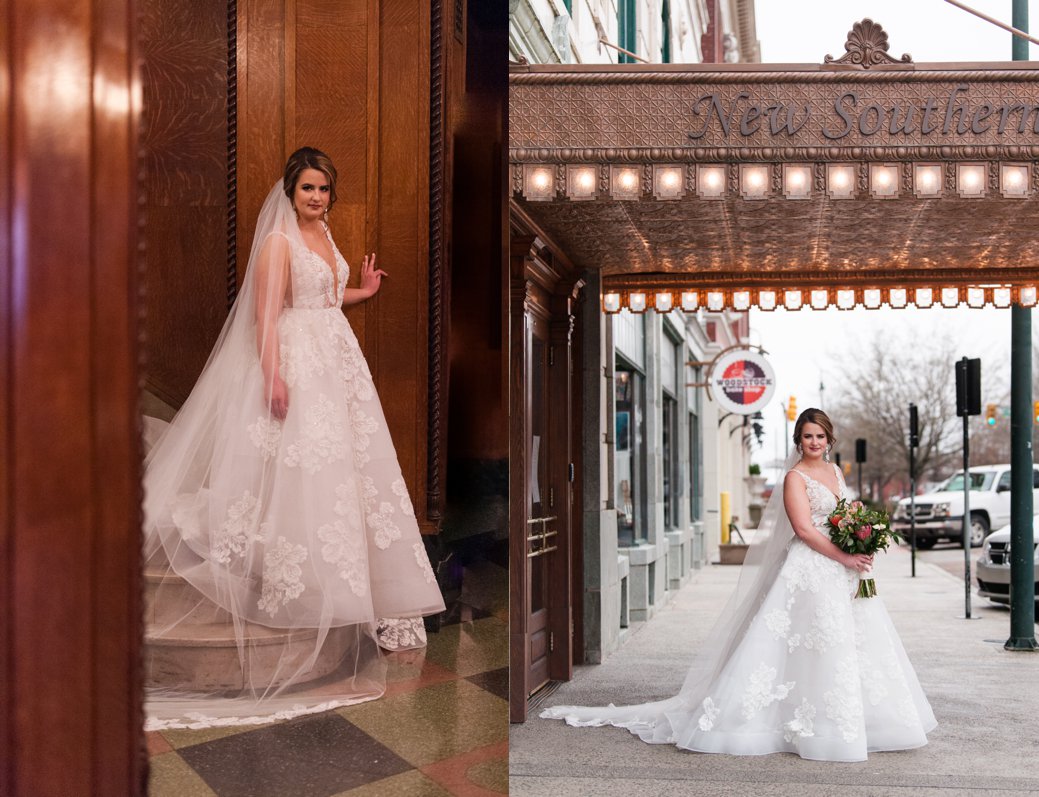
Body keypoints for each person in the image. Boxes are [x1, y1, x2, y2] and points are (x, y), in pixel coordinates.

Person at [142, 147, 445, 729]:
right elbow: (267, 315)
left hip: (338, 363)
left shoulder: (325, 237)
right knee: (303, 473)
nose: (317, 198)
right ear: (290, 191)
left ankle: (355, 594)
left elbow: (325, 300)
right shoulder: (278, 242)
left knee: (345, 476)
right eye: (308, 188)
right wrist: (276, 376)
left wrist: (364, 290)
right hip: (300, 366)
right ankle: (298, 582)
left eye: (325, 189)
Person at [541, 408, 936, 761]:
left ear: (829, 440)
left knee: (845, 643)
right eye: (807, 435)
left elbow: (844, 513)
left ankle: (849, 718)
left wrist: (859, 541)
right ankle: (792, 724)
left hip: (842, 572)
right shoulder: (794, 478)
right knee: (807, 641)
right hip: (811, 568)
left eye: (820, 436)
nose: (813, 442)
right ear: (798, 440)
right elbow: (803, 529)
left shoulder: (834, 472)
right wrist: (845, 555)